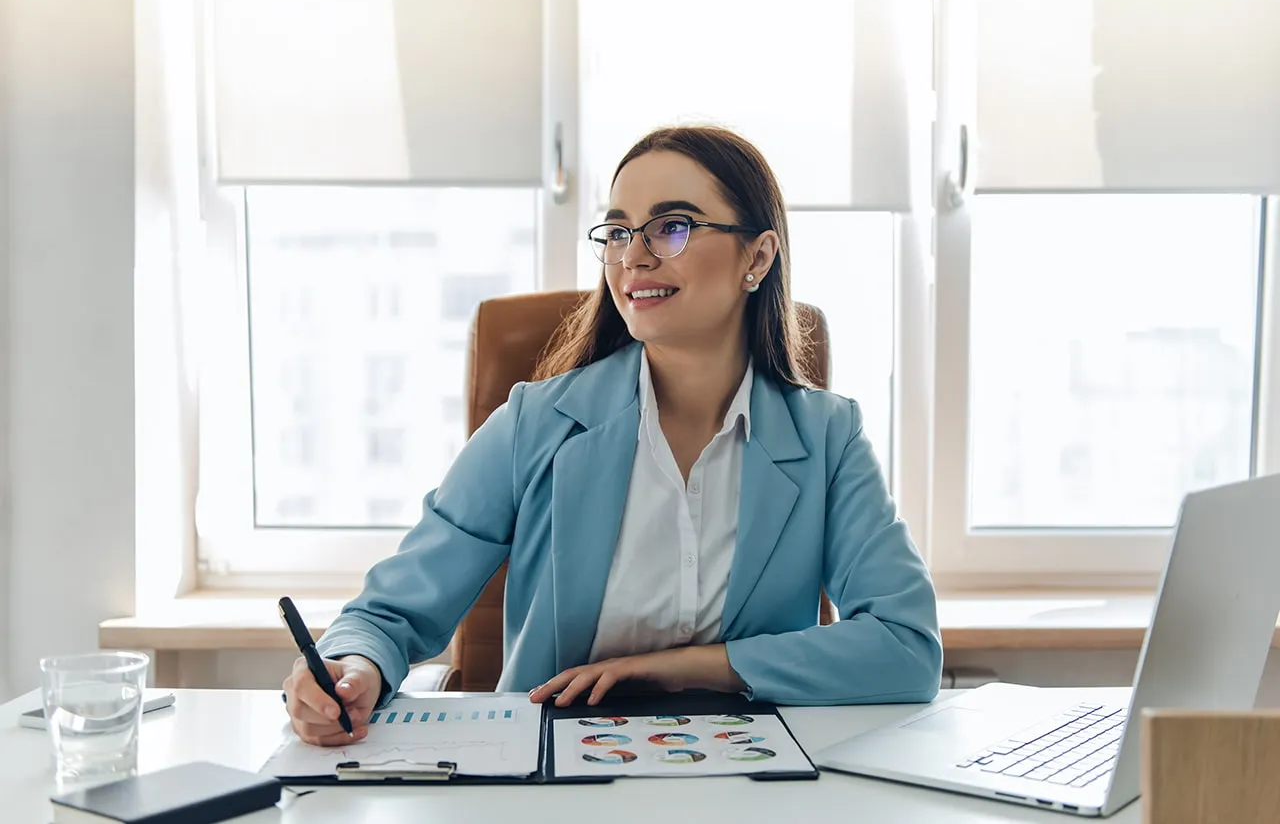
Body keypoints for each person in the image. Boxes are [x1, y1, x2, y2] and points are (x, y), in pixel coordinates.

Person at [283, 125, 943, 747]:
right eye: (619, 231)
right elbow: (388, 614)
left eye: (672, 227)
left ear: (758, 256)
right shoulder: (535, 424)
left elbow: (907, 648)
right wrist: (352, 668)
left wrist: (695, 666)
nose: (633, 256)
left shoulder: (827, 438)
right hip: (553, 774)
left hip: (751, 778)